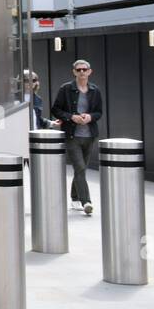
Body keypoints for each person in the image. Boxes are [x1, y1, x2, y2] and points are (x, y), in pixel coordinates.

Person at [50, 59, 103, 216]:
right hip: (72, 135)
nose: (81, 72)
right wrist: (71, 117)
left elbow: (99, 112)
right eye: (78, 70)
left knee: (81, 169)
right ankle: (86, 201)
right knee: (79, 167)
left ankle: (74, 198)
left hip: (90, 135)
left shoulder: (95, 90)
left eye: (84, 70)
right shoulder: (65, 89)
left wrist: (90, 117)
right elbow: (56, 109)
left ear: (89, 71)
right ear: (74, 72)